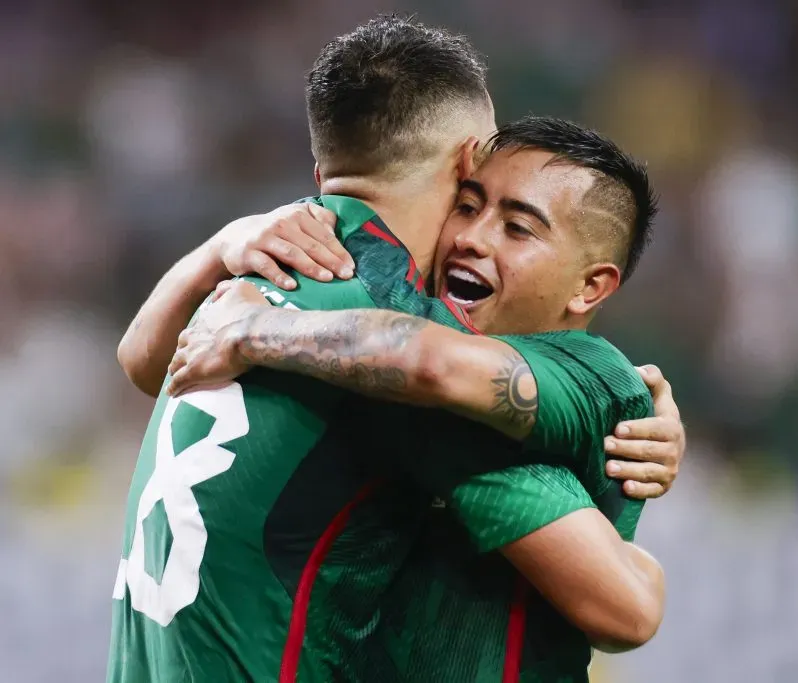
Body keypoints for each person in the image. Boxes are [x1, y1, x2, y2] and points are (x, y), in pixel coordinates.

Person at [110, 17, 682, 683]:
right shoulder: (387, 357)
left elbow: (142, 359)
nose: (474, 238)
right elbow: (629, 607)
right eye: (471, 203)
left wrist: (218, 261)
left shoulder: (257, 273)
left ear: (325, 170)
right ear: (469, 159)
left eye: (517, 226)